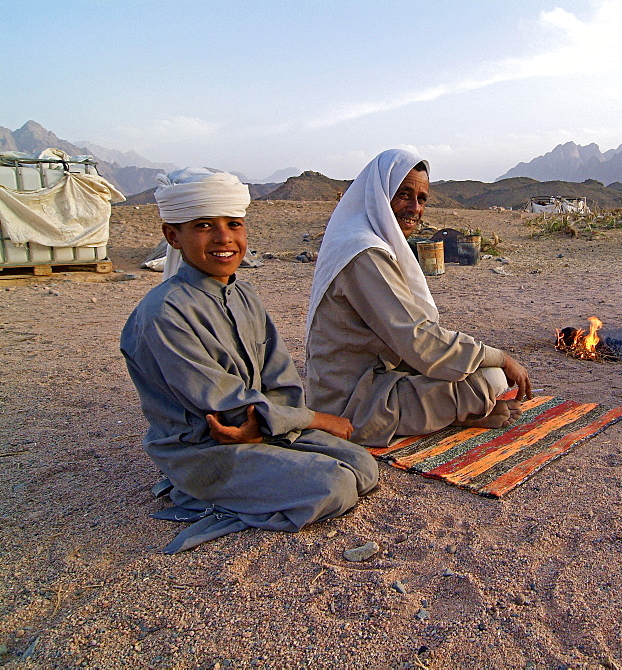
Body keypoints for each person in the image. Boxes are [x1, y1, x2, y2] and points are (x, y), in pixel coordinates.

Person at [120, 167, 378, 553]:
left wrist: (269, 425)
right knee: (334, 486)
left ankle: (265, 470)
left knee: (363, 467)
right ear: (173, 236)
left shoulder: (245, 295)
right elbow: (219, 401)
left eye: (234, 224)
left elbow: (279, 378)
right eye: (204, 225)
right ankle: (197, 493)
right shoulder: (163, 314)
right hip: (206, 446)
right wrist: (315, 420)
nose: (224, 238)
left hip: (260, 429)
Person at [305, 149, 533, 448]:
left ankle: (453, 413)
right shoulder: (365, 254)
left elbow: (416, 338)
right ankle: (459, 416)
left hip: (377, 379)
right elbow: (419, 340)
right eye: (404, 194)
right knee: (491, 379)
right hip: (352, 402)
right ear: (380, 195)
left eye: (421, 199)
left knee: (470, 370)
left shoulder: (366, 241)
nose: (414, 208)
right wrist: (501, 358)